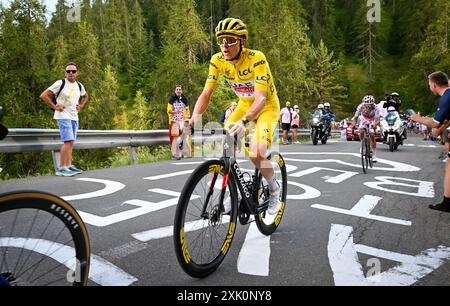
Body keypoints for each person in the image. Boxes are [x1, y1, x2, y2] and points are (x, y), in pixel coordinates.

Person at [189, 17, 282, 215]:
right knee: (227, 144)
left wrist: (244, 121)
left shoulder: (257, 58)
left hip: (266, 107)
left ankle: (274, 189)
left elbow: (261, 99)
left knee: (257, 152)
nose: (225, 45)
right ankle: (235, 191)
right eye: (221, 40)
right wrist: (194, 116)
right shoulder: (217, 60)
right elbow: (206, 93)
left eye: (230, 40)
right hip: (244, 104)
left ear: (242, 42)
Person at [40, 63, 88, 177]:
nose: (71, 73)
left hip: (74, 116)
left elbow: (86, 96)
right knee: (68, 141)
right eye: (68, 71)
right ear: (65, 72)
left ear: (77, 73)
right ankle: (61, 168)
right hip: (63, 116)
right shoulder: (60, 83)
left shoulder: (79, 85)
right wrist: (55, 106)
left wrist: (81, 106)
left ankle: (69, 166)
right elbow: (44, 95)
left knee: (71, 142)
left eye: (73, 71)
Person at [411, 71, 450, 212]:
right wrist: (440, 129)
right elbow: (446, 119)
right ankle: (447, 201)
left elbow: (434, 123)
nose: (429, 87)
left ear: (434, 84)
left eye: (429, 84)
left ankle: (447, 203)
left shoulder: (446, 97)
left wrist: (417, 118)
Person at [351, 95, 380, 162]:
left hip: (372, 119)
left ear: (372, 104)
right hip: (364, 118)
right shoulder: (361, 106)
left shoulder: (376, 108)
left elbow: (377, 119)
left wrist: (374, 124)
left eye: (370, 105)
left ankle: (374, 154)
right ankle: (363, 144)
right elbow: (355, 117)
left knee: (372, 135)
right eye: (366, 105)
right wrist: (354, 125)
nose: (368, 106)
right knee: (361, 131)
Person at [167, 85, 189, 160]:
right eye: (177, 89)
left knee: (182, 138)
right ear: (175, 91)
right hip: (174, 121)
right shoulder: (171, 99)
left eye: (180, 89)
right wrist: (175, 111)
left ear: (181, 91)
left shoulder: (184, 99)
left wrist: (187, 119)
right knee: (174, 138)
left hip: (182, 121)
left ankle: (181, 153)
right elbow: (168, 111)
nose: (178, 91)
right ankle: (176, 154)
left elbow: (187, 109)